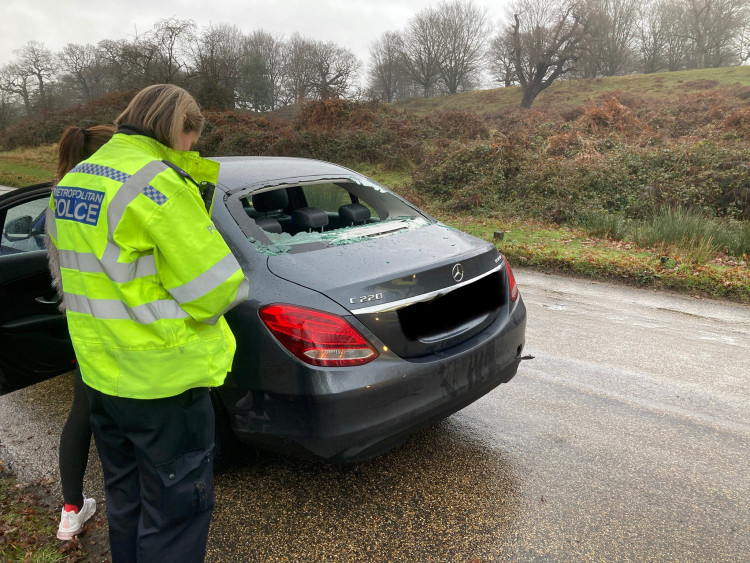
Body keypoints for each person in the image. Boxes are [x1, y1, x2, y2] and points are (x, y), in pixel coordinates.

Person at [47, 84, 249, 562]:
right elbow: (220, 289)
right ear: (179, 129)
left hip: (102, 378)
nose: (191, 152)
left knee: (127, 504)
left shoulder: (75, 180)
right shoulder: (157, 184)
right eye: (191, 142)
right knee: (174, 518)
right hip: (163, 385)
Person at [46, 124, 116, 541]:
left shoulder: (59, 198)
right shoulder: (120, 198)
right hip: (125, 326)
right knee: (121, 413)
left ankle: (71, 511)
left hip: (81, 323)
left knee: (83, 413)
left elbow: (58, 269)